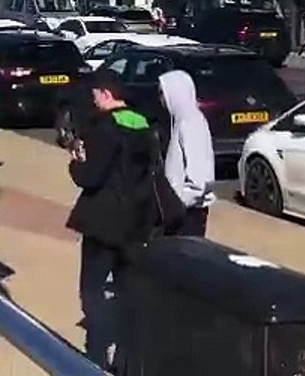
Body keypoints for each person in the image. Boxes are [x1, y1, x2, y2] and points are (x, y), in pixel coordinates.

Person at [66, 69, 169, 372]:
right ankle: (127, 359)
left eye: (96, 95)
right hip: (136, 221)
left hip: (103, 223)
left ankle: (96, 357)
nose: (94, 100)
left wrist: (75, 163)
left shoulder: (104, 128)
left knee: (92, 291)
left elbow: (90, 176)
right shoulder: (143, 125)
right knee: (128, 292)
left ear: (107, 94)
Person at [158, 70, 216, 237]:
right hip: (182, 210)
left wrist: (174, 204)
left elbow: (199, 181)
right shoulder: (182, 120)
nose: (161, 99)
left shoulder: (190, 123)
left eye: (162, 93)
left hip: (188, 213)